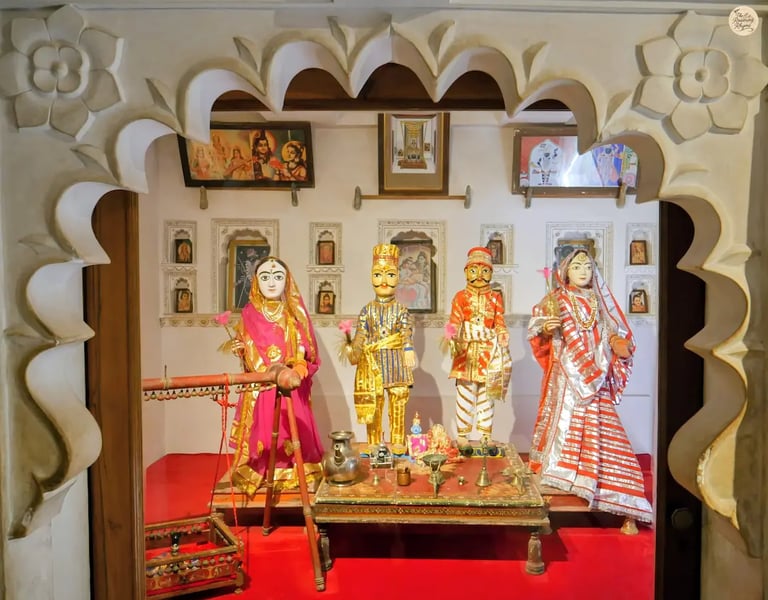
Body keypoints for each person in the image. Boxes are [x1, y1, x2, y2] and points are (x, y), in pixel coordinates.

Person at [527, 249, 653, 533]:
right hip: (567, 378)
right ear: (566, 272)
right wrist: (546, 327)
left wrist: (618, 344)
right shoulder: (556, 299)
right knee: (563, 426)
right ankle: (561, 479)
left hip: (594, 375)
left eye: (588, 266)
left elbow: (612, 331)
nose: (583, 271)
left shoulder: (600, 302)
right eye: (577, 267)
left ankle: (621, 496)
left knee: (606, 429)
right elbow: (535, 327)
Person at [227, 256, 324, 496]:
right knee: (265, 433)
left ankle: (295, 471)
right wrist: (243, 352)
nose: (272, 283)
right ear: (256, 281)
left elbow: (302, 349)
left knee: (292, 431)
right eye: (266, 277)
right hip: (261, 385)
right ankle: (262, 470)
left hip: (289, 383)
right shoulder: (248, 315)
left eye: (278, 277)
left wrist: (297, 369)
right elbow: (248, 354)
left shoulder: (292, 314)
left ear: (287, 282)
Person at [343, 244, 415, 454]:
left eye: (390, 274)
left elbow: (406, 332)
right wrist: (350, 348)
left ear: (398, 277)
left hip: (396, 361)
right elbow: (360, 337)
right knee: (374, 401)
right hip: (372, 364)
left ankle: (398, 441)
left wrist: (409, 349)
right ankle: (374, 441)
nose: (384, 280)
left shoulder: (401, 310)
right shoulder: (367, 310)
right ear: (371, 277)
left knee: (399, 396)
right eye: (378, 275)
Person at [445, 246, 511, 449]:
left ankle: (485, 435)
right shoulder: (460, 297)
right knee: (465, 393)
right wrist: (450, 336)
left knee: (487, 394)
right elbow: (454, 321)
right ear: (466, 272)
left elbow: (499, 321)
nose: (479, 276)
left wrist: (502, 333)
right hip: (466, 352)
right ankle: (463, 435)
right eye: (474, 270)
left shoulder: (496, 297)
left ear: (490, 272)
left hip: (489, 352)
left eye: (484, 270)